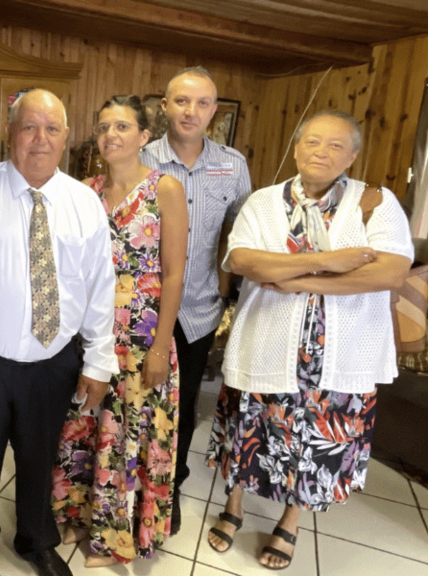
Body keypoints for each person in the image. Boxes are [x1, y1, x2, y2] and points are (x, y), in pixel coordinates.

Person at [205, 111, 412, 570]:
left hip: (339, 356)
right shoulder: (262, 202)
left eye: (336, 146)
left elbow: (391, 271)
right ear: (297, 148)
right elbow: (242, 260)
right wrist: (337, 262)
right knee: (248, 431)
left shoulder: (375, 203)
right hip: (267, 342)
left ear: (353, 155)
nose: (321, 152)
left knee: (315, 444)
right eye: (313, 142)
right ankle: (233, 507)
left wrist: (302, 277)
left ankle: (289, 523)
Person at [0, 89, 119, 576]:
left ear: (65, 138)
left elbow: (101, 287)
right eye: (28, 127)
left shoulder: (85, 203)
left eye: (52, 128)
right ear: (10, 135)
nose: (40, 139)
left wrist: (98, 362)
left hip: (54, 359)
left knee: (41, 456)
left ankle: (36, 538)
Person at [52, 95, 188, 566]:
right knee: (83, 425)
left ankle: (116, 536)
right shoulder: (84, 191)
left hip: (142, 334)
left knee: (126, 435)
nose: (111, 134)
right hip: (91, 331)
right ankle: (74, 510)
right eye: (104, 125)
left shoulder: (163, 189)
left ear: (144, 136)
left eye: (123, 126)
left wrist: (159, 346)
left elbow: (173, 273)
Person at [140, 66, 252, 533]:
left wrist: (235, 295)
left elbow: (242, 230)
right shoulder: (140, 156)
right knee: (137, 403)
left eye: (202, 103)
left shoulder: (233, 164)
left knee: (182, 410)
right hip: (141, 313)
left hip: (200, 311)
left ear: (215, 111)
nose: (191, 111)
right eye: (181, 101)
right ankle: (129, 486)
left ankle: (170, 489)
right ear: (164, 106)